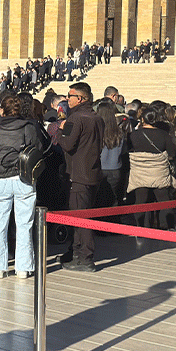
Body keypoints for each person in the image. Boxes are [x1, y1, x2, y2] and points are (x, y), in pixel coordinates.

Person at [0, 94, 45, 280]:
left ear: (1, 110)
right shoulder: (28, 127)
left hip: (0, 180)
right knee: (24, 225)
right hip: (24, 178)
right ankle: (23, 268)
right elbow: (37, 146)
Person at [57, 82, 103, 272]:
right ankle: (77, 252)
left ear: (81, 99)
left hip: (78, 174)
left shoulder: (75, 118)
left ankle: (85, 257)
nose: (67, 99)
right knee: (83, 213)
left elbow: (67, 144)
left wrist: (61, 129)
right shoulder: (96, 117)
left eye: (70, 96)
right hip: (92, 171)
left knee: (80, 217)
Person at [124, 105, 176, 228]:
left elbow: (128, 150)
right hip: (159, 172)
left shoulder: (133, 135)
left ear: (142, 119)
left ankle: (142, 226)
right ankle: (166, 226)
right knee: (163, 200)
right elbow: (172, 153)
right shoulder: (164, 135)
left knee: (141, 201)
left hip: (139, 173)